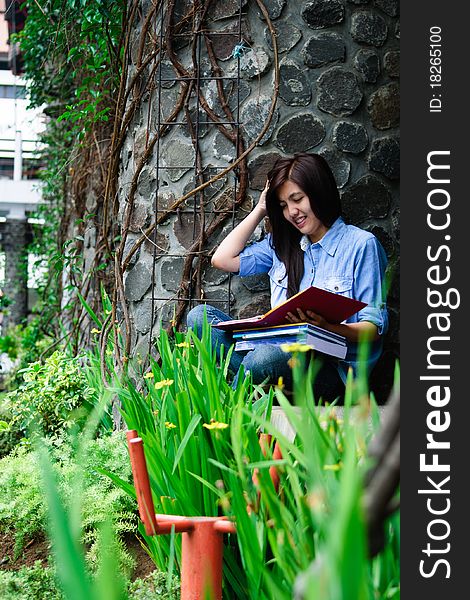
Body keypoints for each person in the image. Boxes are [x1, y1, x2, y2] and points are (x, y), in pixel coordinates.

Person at [187, 153, 388, 401]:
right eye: (283, 205)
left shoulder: (361, 245)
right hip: (278, 357)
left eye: (297, 199)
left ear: (319, 192)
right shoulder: (280, 246)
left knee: (264, 358)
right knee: (199, 318)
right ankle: (263, 384)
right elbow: (222, 259)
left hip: (332, 372)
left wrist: (327, 327)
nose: (292, 212)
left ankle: (227, 413)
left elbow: (374, 328)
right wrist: (262, 209)